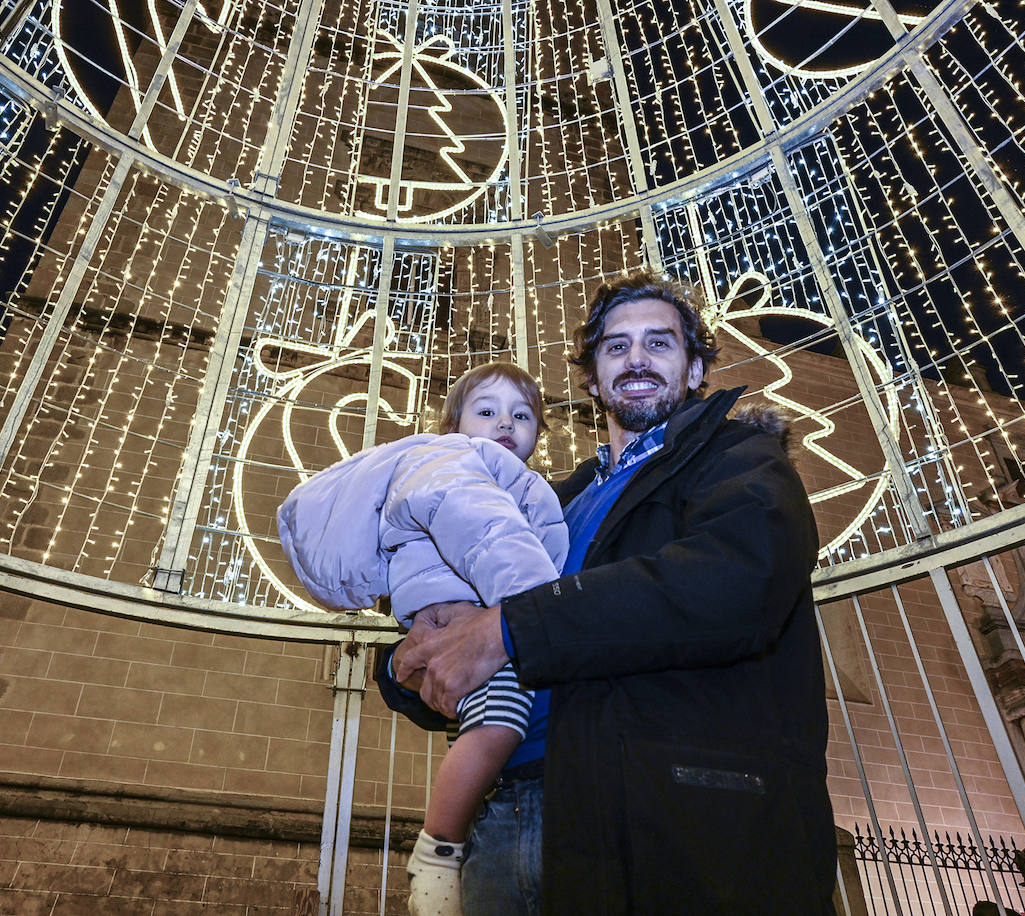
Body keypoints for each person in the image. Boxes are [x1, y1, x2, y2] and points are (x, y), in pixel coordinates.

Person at [380, 270, 836, 914]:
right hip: (507, 812)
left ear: (697, 366)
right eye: (616, 347)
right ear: (592, 379)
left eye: (660, 342)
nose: (637, 359)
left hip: (657, 817)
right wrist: (404, 668)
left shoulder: (739, 457)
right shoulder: (551, 503)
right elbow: (464, 638)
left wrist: (508, 628)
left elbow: (738, 578)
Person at [276, 363, 567, 916]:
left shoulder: (508, 480)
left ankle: (443, 844)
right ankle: (438, 849)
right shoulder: (457, 464)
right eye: (488, 411)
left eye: (523, 415)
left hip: (489, 627)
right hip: (483, 621)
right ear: (454, 423)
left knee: (485, 733)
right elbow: (485, 531)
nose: (507, 423)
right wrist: (540, 607)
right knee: (497, 726)